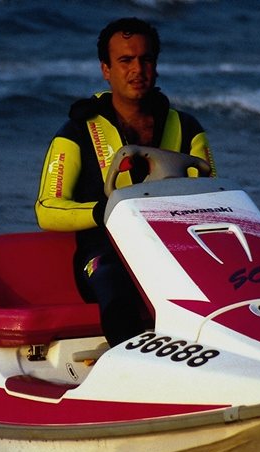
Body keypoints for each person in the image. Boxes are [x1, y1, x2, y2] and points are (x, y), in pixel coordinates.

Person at [35, 17, 216, 347]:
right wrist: (104, 210)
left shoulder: (189, 129)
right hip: (103, 256)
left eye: (146, 59)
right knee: (115, 284)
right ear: (106, 69)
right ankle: (132, 363)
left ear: (156, 66)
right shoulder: (76, 133)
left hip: (176, 249)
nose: (137, 69)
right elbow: (46, 210)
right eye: (125, 60)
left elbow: (212, 198)